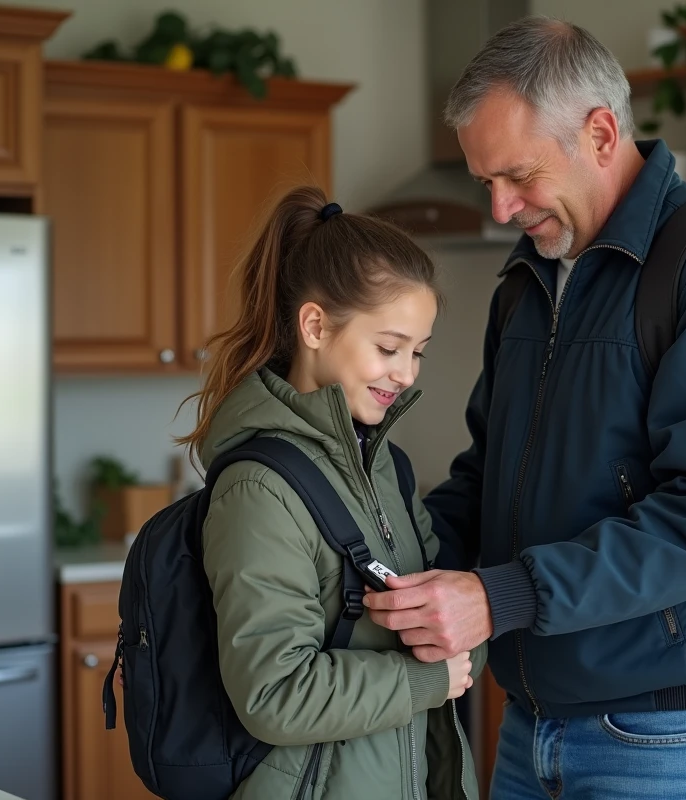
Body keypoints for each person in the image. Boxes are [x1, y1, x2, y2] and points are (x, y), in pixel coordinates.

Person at [363, 17, 686, 800]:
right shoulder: (531, 280)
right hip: (532, 730)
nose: (503, 209)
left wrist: (496, 596)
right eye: (486, 184)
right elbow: (487, 478)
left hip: (677, 741)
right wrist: (377, 546)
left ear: (603, 134)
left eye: (518, 176)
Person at [175, 185, 483, 799]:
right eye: (389, 348)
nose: (407, 372)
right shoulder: (259, 489)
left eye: (418, 352)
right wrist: (429, 681)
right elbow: (274, 694)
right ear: (315, 325)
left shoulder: (386, 467)